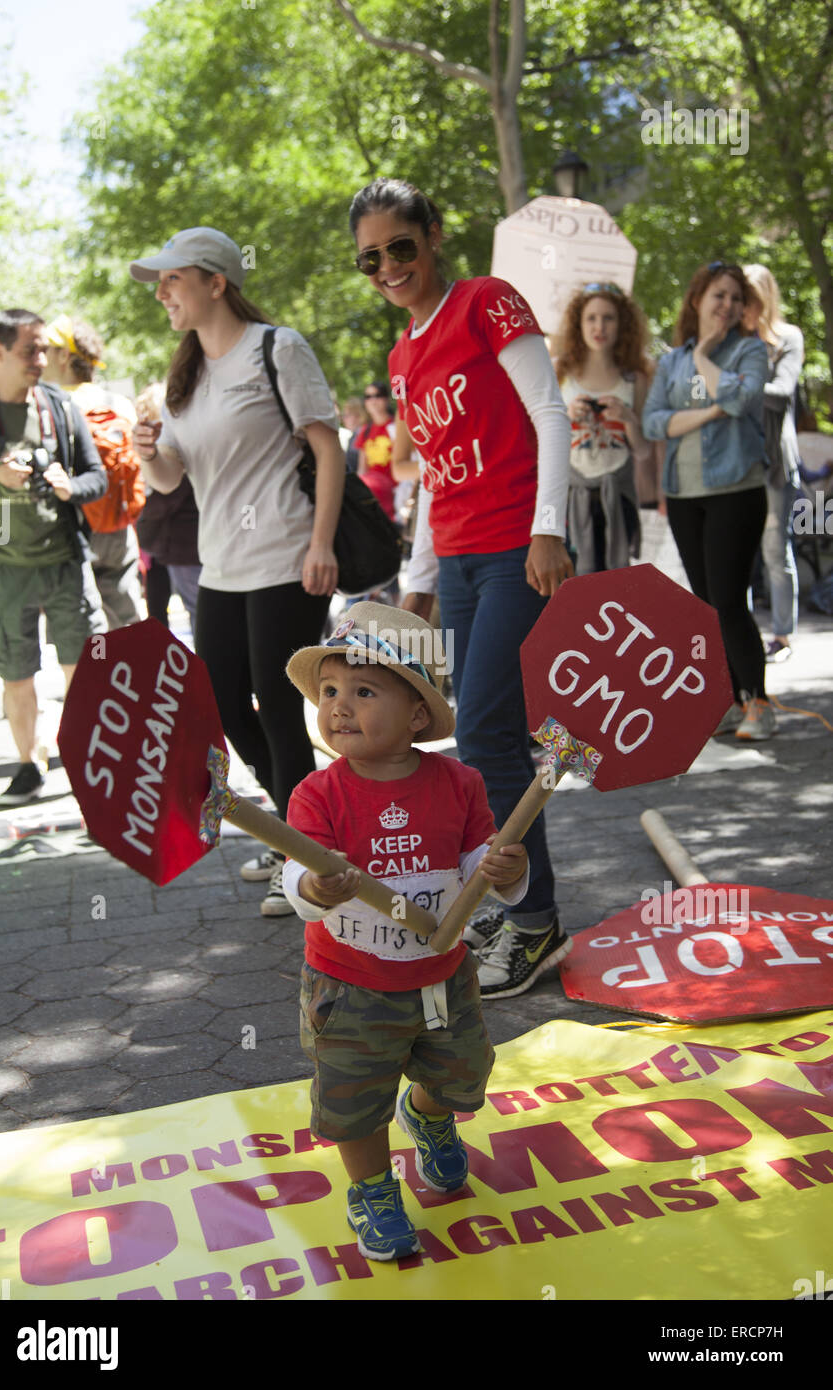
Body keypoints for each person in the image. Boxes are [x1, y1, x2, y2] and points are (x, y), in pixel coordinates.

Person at [348, 177, 573, 1000]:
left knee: (482, 733)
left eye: (401, 247)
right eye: (371, 259)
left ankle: (536, 918)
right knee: (485, 741)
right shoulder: (402, 356)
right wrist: (417, 584)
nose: (389, 268)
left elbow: (551, 413)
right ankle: (514, 900)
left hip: (520, 546)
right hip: (462, 560)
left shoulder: (487, 301)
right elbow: (434, 477)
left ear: (434, 235)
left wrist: (549, 528)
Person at [281, 602, 529, 1260]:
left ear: (418, 714)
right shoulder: (317, 794)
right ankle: (372, 1188)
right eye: (329, 691)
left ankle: (426, 1111)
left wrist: (506, 868)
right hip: (351, 985)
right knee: (354, 1097)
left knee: (462, 1075)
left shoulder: (459, 782)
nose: (339, 705)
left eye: (364, 691)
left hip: (442, 976)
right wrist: (312, 887)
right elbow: (292, 876)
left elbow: (479, 866)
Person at [129, 227, 345, 915]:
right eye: (159, 282)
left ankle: (307, 858)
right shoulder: (182, 377)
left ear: (217, 282)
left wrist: (322, 543)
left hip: (285, 554)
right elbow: (170, 481)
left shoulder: (275, 348)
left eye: (173, 279)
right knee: (224, 707)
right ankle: (304, 839)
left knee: (280, 708)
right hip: (219, 566)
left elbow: (328, 447)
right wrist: (146, 451)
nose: (162, 292)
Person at [0, 309, 107, 803]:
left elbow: (98, 477)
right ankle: (30, 763)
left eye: (44, 349)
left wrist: (71, 487)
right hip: (5, 568)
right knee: (17, 673)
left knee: (84, 671)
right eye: (29, 350)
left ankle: (93, 768)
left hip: (66, 562)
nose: (41, 359)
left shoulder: (61, 407)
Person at [642, 262, 773, 740]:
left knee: (729, 600)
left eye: (736, 298)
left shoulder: (749, 350)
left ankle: (757, 702)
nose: (728, 306)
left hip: (735, 491)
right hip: (683, 494)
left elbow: (742, 400)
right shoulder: (671, 361)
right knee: (704, 605)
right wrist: (710, 410)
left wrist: (708, 356)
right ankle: (730, 701)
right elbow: (653, 422)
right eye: (719, 295)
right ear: (697, 299)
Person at [42, 315, 145, 630]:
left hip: (74, 530)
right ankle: (140, 675)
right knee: (128, 620)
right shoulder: (118, 403)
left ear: (64, 355)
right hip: (119, 526)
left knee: (86, 627)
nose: (39, 356)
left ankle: (99, 678)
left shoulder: (53, 406)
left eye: (46, 348)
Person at [553, 283, 653, 574]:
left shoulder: (634, 379)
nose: (600, 326)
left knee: (614, 580)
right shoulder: (559, 372)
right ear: (578, 323)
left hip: (618, 496)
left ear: (622, 324)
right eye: (591, 318)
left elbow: (644, 450)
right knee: (571, 583)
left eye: (608, 317)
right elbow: (538, 440)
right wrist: (566, 416)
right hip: (571, 496)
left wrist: (627, 419)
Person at [742, 265, 805, 663]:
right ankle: (741, 638)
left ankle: (782, 636)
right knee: (737, 556)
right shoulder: (730, 342)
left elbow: (780, 394)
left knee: (773, 552)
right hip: (737, 463)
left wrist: (731, 386)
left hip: (775, 463)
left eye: (746, 297)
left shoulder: (788, 338)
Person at [133, 382, 201, 633]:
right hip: (166, 547)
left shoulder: (176, 444)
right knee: (165, 612)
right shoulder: (158, 445)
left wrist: (143, 510)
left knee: (199, 614)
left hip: (185, 547)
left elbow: (167, 491)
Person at [355, 381, 396, 520]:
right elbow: (362, 468)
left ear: (386, 399)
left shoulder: (396, 426)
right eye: (368, 396)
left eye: (377, 395)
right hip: (373, 493)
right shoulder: (365, 431)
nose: (373, 400)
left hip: (395, 493)